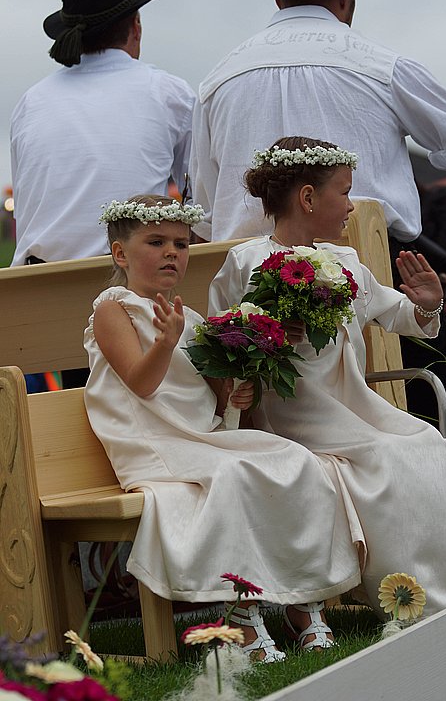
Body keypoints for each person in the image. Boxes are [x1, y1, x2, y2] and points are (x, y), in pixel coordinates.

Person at [190, 0, 446, 423]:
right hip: (366, 272)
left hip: (248, 288)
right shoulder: (383, 66)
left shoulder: (215, 82)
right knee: (426, 424)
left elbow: (203, 217)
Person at [209, 137, 446, 616]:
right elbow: (221, 338)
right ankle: (408, 600)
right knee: (386, 460)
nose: (350, 205)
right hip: (291, 412)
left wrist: (427, 303)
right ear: (307, 197)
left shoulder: (345, 262)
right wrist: (268, 331)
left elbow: (398, 313)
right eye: (343, 192)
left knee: (435, 447)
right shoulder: (247, 262)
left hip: (353, 406)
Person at [83, 193, 362, 662]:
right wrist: (165, 342)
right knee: (233, 476)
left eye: (181, 244)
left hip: (199, 437)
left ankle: (303, 600)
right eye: (156, 242)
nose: (172, 252)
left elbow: (209, 401)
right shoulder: (114, 308)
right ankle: (241, 613)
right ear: (120, 253)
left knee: (297, 460)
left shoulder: (188, 319)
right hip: (150, 442)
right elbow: (142, 383)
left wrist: (235, 395)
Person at [10, 0, 195, 266]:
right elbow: (201, 204)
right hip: (129, 280)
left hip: (33, 279)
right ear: (136, 26)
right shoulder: (169, 94)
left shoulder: (30, 103)